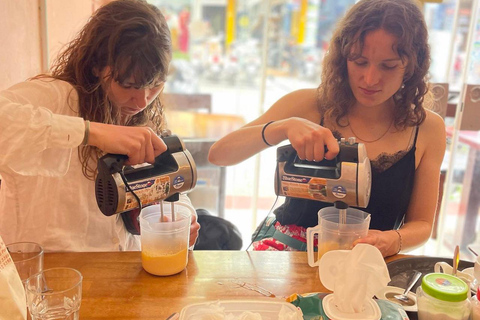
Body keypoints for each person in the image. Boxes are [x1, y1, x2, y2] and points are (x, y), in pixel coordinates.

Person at [208, 0, 446, 257]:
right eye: (359, 61)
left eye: (388, 66)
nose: (370, 79)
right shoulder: (309, 104)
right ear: (343, 57)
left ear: (412, 65)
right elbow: (219, 154)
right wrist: (281, 128)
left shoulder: (427, 129)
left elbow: (421, 224)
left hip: (364, 266)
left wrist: (394, 239)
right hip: (286, 259)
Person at [0, 0, 199, 252]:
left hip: (117, 273)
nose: (142, 100)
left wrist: (181, 218)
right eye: (128, 85)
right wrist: (90, 132)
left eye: (156, 84)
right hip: (44, 276)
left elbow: (168, 186)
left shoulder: (146, 116)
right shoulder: (55, 98)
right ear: (96, 66)